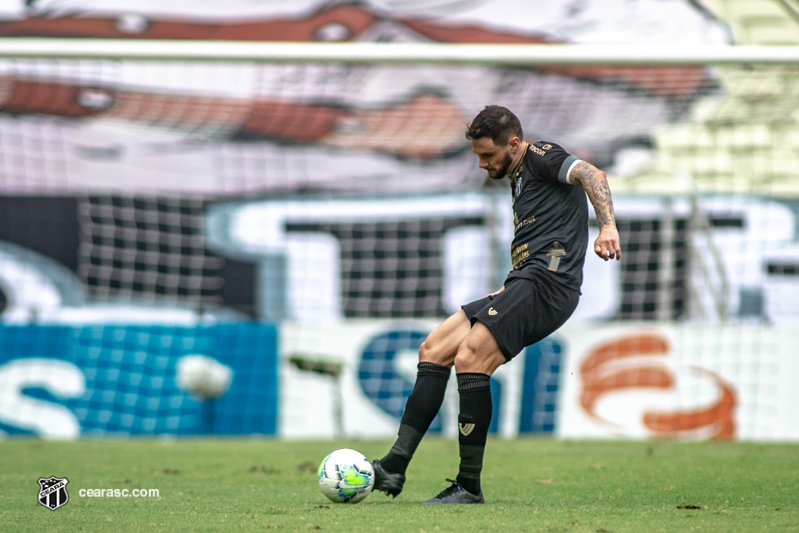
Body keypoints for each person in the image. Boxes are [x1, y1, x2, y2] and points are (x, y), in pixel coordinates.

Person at [370, 105, 622, 505]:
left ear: (515, 144)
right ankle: (395, 464)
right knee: (434, 349)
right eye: (477, 156)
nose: (483, 164)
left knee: (471, 358)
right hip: (522, 281)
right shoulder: (519, 176)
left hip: (547, 283)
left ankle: (468, 485)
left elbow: (593, 173)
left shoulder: (541, 156)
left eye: (488, 155)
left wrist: (607, 226)